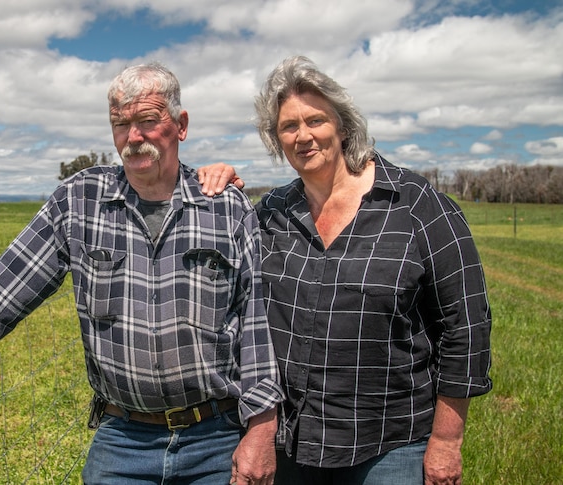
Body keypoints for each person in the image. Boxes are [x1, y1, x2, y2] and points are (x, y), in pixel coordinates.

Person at [0, 62, 284, 485]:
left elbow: (255, 327)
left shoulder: (226, 208)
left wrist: (261, 430)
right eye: (121, 124)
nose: (134, 137)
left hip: (215, 437)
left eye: (148, 121)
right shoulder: (79, 201)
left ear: (180, 125)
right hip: (123, 442)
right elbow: (10, 279)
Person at [198, 56, 492, 484]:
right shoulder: (271, 214)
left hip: (389, 444)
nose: (303, 136)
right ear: (275, 139)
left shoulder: (417, 206)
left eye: (315, 120)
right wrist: (211, 184)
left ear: (342, 124)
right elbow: (230, 292)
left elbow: (466, 326)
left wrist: (447, 442)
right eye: (288, 127)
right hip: (291, 442)